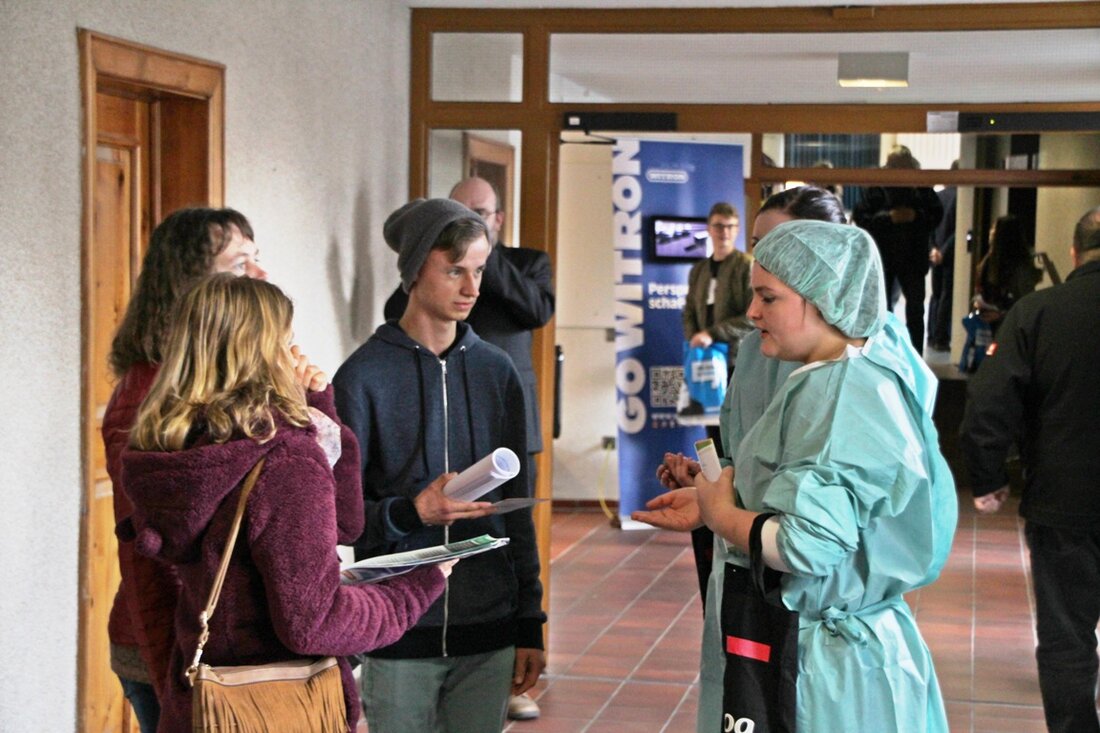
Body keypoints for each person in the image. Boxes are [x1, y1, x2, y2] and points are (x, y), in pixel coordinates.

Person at [637, 219, 957, 733]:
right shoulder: (829, 380)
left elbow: (805, 544)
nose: (752, 312)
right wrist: (719, 498)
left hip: (829, 669)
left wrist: (722, 515)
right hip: (813, 648)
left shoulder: (845, 394)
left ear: (825, 298)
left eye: (769, 297)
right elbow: (804, 492)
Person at [117, 274, 447, 733]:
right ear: (260, 352)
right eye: (286, 341)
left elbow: (344, 524)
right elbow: (315, 623)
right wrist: (416, 589)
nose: (295, 355)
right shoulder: (283, 458)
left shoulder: (176, 447)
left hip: (204, 702)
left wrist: (317, 408)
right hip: (275, 704)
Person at [334, 198, 545, 733]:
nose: (472, 288)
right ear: (413, 270)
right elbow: (344, 516)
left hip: (490, 629)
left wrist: (530, 622)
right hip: (397, 626)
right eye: (454, 271)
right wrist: (413, 512)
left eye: (477, 270)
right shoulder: (362, 378)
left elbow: (517, 513)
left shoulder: (498, 374)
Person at [102, 207, 269, 732]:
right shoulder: (146, 401)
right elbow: (150, 560)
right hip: (172, 651)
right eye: (240, 264)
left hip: (217, 645)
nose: (260, 276)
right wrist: (173, 684)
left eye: (257, 260)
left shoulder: (214, 383)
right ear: (190, 286)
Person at [960, 206, 1100, 733]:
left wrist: (989, 474)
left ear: (1073, 253)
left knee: (1068, 639)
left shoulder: (1038, 313)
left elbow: (989, 402)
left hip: (1063, 504)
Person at [680, 201, 754, 604]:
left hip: (735, 362)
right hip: (704, 366)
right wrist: (696, 334)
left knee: (732, 436)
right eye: (717, 225)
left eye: (729, 226)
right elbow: (688, 311)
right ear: (707, 228)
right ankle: (713, 503)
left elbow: (749, 317)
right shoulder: (699, 268)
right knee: (710, 434)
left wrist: (715, 333)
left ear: (736, 229)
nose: (723, 231)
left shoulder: (744, 266)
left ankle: (731, 508)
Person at [852, 145, 943, 350]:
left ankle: (915, 354)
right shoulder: (878, 186)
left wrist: (915, 216)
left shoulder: (920, 186)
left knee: (915, 310)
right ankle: (881, 351)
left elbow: (936, 214)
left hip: (912, 256)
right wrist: (889, 218)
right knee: (881, 308)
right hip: (884, 256)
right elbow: (862, 218)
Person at [973, 213, 1043, 336]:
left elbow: (1025, 303)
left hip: (1008, 329)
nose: (991, 232)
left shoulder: (1019, 268)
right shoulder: (989, 261)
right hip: (989, 327)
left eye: (994, 229)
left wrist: (1000, 315)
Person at [927, 165, 958, 351]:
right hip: (950, 255)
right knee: (947, 295)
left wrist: (933, 249)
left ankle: (931, 335)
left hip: (935, 252)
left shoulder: (937, 197)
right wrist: (944, 251)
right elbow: (958, 230)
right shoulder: (961, 198)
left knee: (936, 295)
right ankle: (941, 338)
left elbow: (929, 226)